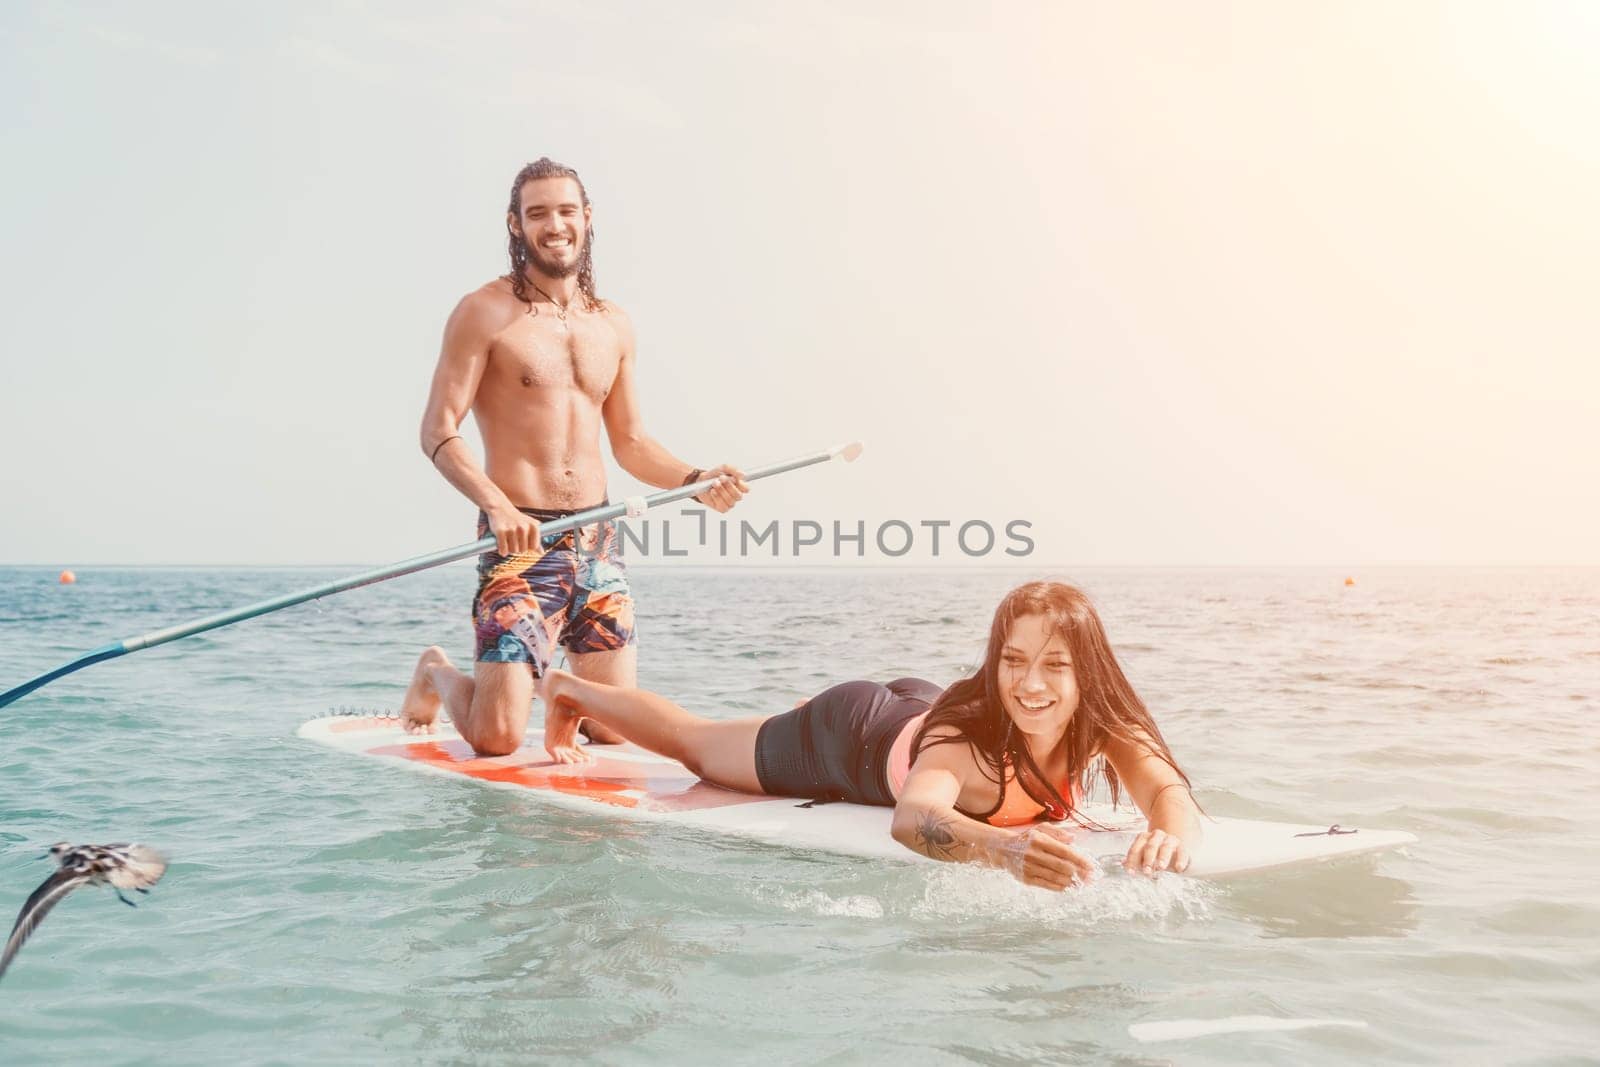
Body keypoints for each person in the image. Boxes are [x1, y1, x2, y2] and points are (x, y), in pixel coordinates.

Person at [399, 157, 749, 756]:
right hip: (521, 540)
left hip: (598, 537)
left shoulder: (612, 324)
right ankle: (435, 671)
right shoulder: (483, 312)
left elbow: (632, 443)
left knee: (613, 727)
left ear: (587, 219)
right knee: (498, 739)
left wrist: (695, 479)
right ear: (516, 225)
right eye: (537, 213)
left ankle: (560, 691)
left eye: (565, 210)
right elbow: (438, 430)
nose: (554, 224)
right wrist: (496, 505)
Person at [536, 581, 1203, 889]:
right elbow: (914, 817)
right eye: (1013, 660)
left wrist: (1167, 834)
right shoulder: (970, 743)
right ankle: (571, 688)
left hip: (918, 706)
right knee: (694, 745)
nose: (1031, 683)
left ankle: (785, 713)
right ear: (993, 661)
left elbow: (1165, 787)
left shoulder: (1099, 722)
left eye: (1055, 665)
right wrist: (1007, 849)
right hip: (847, 736)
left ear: (1085, 671)